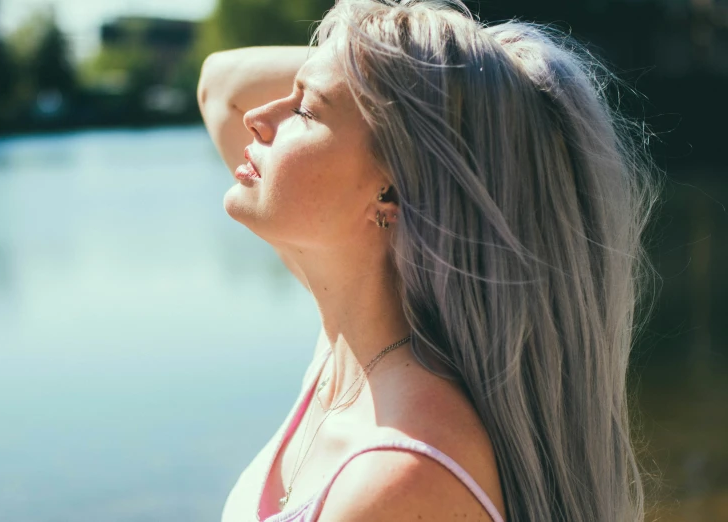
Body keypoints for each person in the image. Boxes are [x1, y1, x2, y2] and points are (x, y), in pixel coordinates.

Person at [197, 1, 658, 521]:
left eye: (304, 109)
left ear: (390, 191)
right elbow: (220, 84)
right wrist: (412, 64)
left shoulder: (400, 484)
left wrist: (421, 73)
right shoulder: (350, 342)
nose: (258, 118)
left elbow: (228, 93)